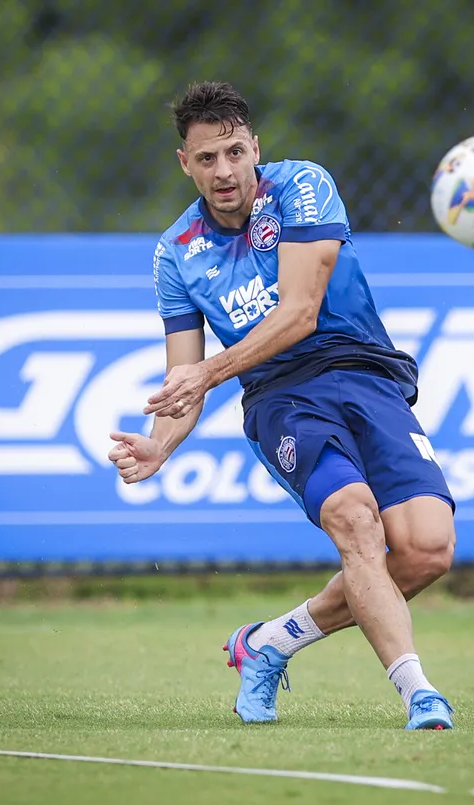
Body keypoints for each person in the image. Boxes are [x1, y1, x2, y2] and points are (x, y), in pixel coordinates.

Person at [108, 81, 456, 730]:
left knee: (427, 549)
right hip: (282, 398)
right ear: (184, 163)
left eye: (234, 152)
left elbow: (298, 313)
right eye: (206, 159)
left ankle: (271, 641)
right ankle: (419, 692)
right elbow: (182, 379)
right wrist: (162, 441)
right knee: (356, 521)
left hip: (364, 374)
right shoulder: (175, 253)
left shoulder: (302, 186)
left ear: (255, 147)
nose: (224, 171)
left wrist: (207, 371)